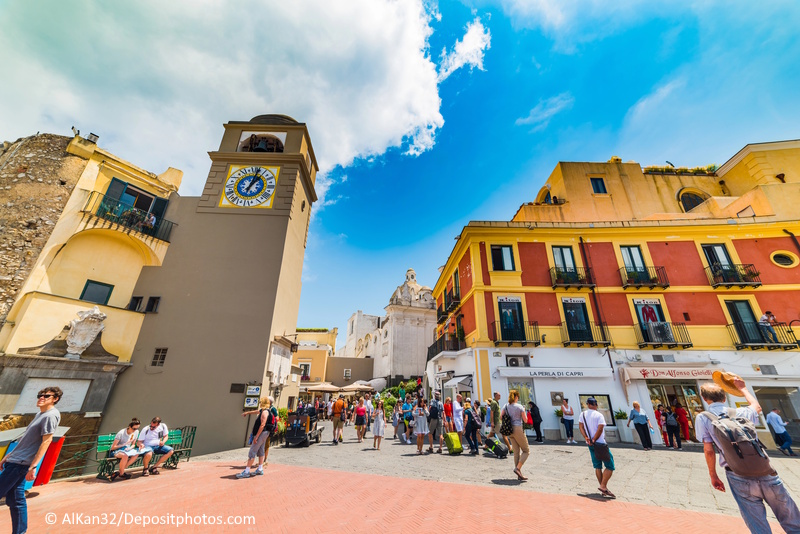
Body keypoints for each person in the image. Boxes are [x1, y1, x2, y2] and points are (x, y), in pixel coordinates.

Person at [696, 379, 800, 532]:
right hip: (764, 470)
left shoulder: (703, 417)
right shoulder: (741, 412)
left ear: (705, 399)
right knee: (790, 517)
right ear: (724, 398)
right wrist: (743, 388)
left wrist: (713, 475)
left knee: (756, 522)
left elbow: (709, 450)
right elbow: (757, 407)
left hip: (737, 473)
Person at [0, 386, 62, 534]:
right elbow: (26, 440)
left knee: (15, 500)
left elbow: (46, 441)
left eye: (46, 396)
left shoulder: (50, 415)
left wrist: (33, 466)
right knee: (16, 501)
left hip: (20, 465)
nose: (41, 397)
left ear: (55, 399)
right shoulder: (40, 414)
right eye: (40, 395)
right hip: (15, 461)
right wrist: (8, 456)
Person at [579, 397, 615, 498]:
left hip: (590, 444)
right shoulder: (599, 415)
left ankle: (603, 488)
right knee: (610, 465)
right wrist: (594, 439)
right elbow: (600, 429)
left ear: (587, 404)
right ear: (595, 405)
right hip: (600, 443)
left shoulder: (583, 414)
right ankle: (603, 486)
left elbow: (581, 426)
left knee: (597, 466)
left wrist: (587, 438)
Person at [238, 398, 274, 478]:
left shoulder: (264, 412)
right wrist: (247, 413)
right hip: (265, 434)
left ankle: (247, 471)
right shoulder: (266, 411)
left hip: (261, 434)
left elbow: (262, 425)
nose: (260, 403)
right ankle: (260, 469)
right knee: (261, 450)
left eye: (261, 402)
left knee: (252, 451)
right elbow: (256, 411)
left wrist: (256, 437)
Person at [502, 390, 530, 480]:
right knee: (526, 451)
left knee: (516, 452)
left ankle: (519, 474)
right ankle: (518, 468)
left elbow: (501, 416)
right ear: (516, 397)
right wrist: (524, 411)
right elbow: (525, 420)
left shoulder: (506, 406)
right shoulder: (520, 407)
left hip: (510, 430)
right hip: (518, 428)